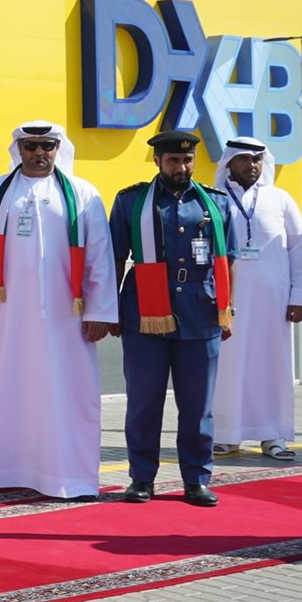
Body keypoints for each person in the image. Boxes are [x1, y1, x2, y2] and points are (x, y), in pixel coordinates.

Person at [0, 121, 117, 499]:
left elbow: (100, 257)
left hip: (68, 318)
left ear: (58, 148)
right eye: (31, 146)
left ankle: (70, 477)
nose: (39, 153)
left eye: (47, 146)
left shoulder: (82, 193)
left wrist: (101, 311)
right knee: (1, 388)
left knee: (71, 393)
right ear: (18, 149)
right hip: (6, 317)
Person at [110, 130, 237, 507]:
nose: (181, 167)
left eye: (187, 161)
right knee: (144, 402)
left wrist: (227, 310)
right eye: (173, 161)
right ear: (157, 162)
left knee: (198, 407)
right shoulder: (131, 201)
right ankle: (141, 478)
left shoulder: (213, 203)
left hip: (201, 312)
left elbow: (227, 260)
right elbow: (115, 258)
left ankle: (196, 479)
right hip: (144, 314)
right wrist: (111, 309)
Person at [211, 137, 302, 461]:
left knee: (273, 366)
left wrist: (299, 297)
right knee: (227, 367)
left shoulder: (280, 199)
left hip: (273, 302)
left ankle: (273, 436)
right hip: (227, 302)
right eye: (244, 160)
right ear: (229, 163)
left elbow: (297, 249)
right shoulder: (215, 199)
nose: (252, 166)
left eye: (257, 159)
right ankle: (226, 435)